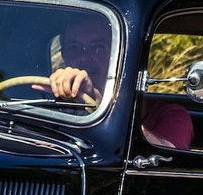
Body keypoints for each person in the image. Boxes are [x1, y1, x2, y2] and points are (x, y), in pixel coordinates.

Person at [45, 15, 194, 151]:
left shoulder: (170, 115)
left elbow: (167, 153)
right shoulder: (47, 104)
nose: (84, 57)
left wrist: (99, 105)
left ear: (118, 55)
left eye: (97, 47)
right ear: (64, 55)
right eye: (73, 48)